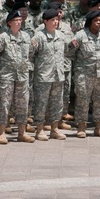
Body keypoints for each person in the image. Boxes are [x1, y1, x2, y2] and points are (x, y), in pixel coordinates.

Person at [67, 11, 100, 139]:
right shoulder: (80, 35)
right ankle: (81, 126)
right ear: (89, 22)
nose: (99, 23)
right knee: (82, 99)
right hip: (84, 74)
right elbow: (70, 52)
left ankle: (99, 127)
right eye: (96, 20)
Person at [0, 10, 34, 144]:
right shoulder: (3, 37)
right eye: (15, 20)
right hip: (7, 76)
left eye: (20, 20)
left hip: (22, 76)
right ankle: (1, 132)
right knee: (4, 104)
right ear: (9, 23)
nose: (18, 22)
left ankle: (22, 133)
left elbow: (31, 53)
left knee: (23, 104)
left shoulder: (26, 37)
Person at [31, 9, 68, 141]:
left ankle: (54, 129)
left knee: (57, 103)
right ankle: (40, 129)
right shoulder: (38, 37)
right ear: (45, 21)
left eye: (57, 20)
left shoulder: (61, 36)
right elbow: (31, 54)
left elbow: (66, 52)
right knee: (41, 103)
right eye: (52, 20)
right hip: (43, 76)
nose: (55, 22)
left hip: (58, 75)